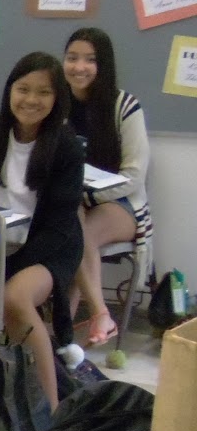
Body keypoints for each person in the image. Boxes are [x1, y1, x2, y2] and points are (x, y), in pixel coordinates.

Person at [0, 53, 83, 408]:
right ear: (10, 91)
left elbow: (60, 224)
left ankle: (46, 409)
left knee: (16, 298)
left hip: (49, 248)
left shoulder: (65, 145)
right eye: (23, 89)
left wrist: (8, 271)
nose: (31, 100)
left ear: (57, 99)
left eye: (43, 93)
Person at [63, 27, 152, 348]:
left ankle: (98, 314)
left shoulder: (124, 106)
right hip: (73, 206)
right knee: (70, 228)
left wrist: (88, 195)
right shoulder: (56, 105)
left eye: (90, 59)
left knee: (77, 235)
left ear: (104, 65)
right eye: (72, 58)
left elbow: (134, 176)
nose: (79, 67)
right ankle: (62, 341)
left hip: (121, 205)